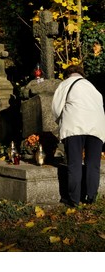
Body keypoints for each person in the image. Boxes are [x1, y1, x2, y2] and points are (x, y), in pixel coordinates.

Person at [52, 65, 105, 206]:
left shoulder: (65, 84)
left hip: (75, 126)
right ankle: (91, 197)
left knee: (74, 163)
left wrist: (61, 123)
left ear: (67, 74)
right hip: (97, 127)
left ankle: (73, 200)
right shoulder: (92, 88)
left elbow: (56, 109)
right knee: (93, 164)